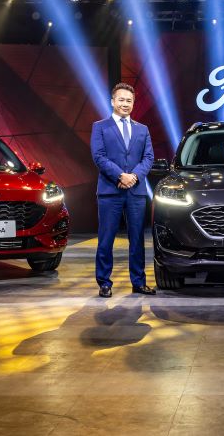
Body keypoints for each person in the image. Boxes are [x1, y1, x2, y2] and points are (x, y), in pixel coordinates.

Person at [90, 83, 156, 297]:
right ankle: (104, 282)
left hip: (136, 192)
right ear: (112, 101)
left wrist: (133, 177)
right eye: (121, 100)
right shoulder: (100, 126)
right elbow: (98, 156)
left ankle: (138, 282)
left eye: (129, 100)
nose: (125, 104)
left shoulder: (142, 129)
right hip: (110, 191)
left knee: (137, 239)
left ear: (133, 103)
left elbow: (148, 157)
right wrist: (120, 176)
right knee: (106, 238)